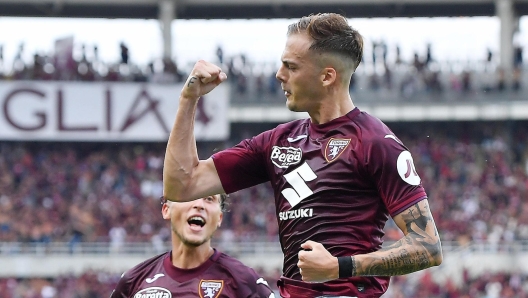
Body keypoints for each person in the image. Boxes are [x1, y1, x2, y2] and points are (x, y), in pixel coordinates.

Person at [163, 13, 443, 297]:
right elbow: (183, 185)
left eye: (290, 66)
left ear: (327, 76)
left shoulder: (375, 142)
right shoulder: (277, 142)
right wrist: (189, 99)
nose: (279, 74)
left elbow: (428, 246)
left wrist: (339, 267)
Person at [110, 194, 275, 298]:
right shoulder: (133, 281)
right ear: (166, 209)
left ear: (219, 218)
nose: (199, 205)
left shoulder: (244, 282)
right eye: (188, 196)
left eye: (209, 198)